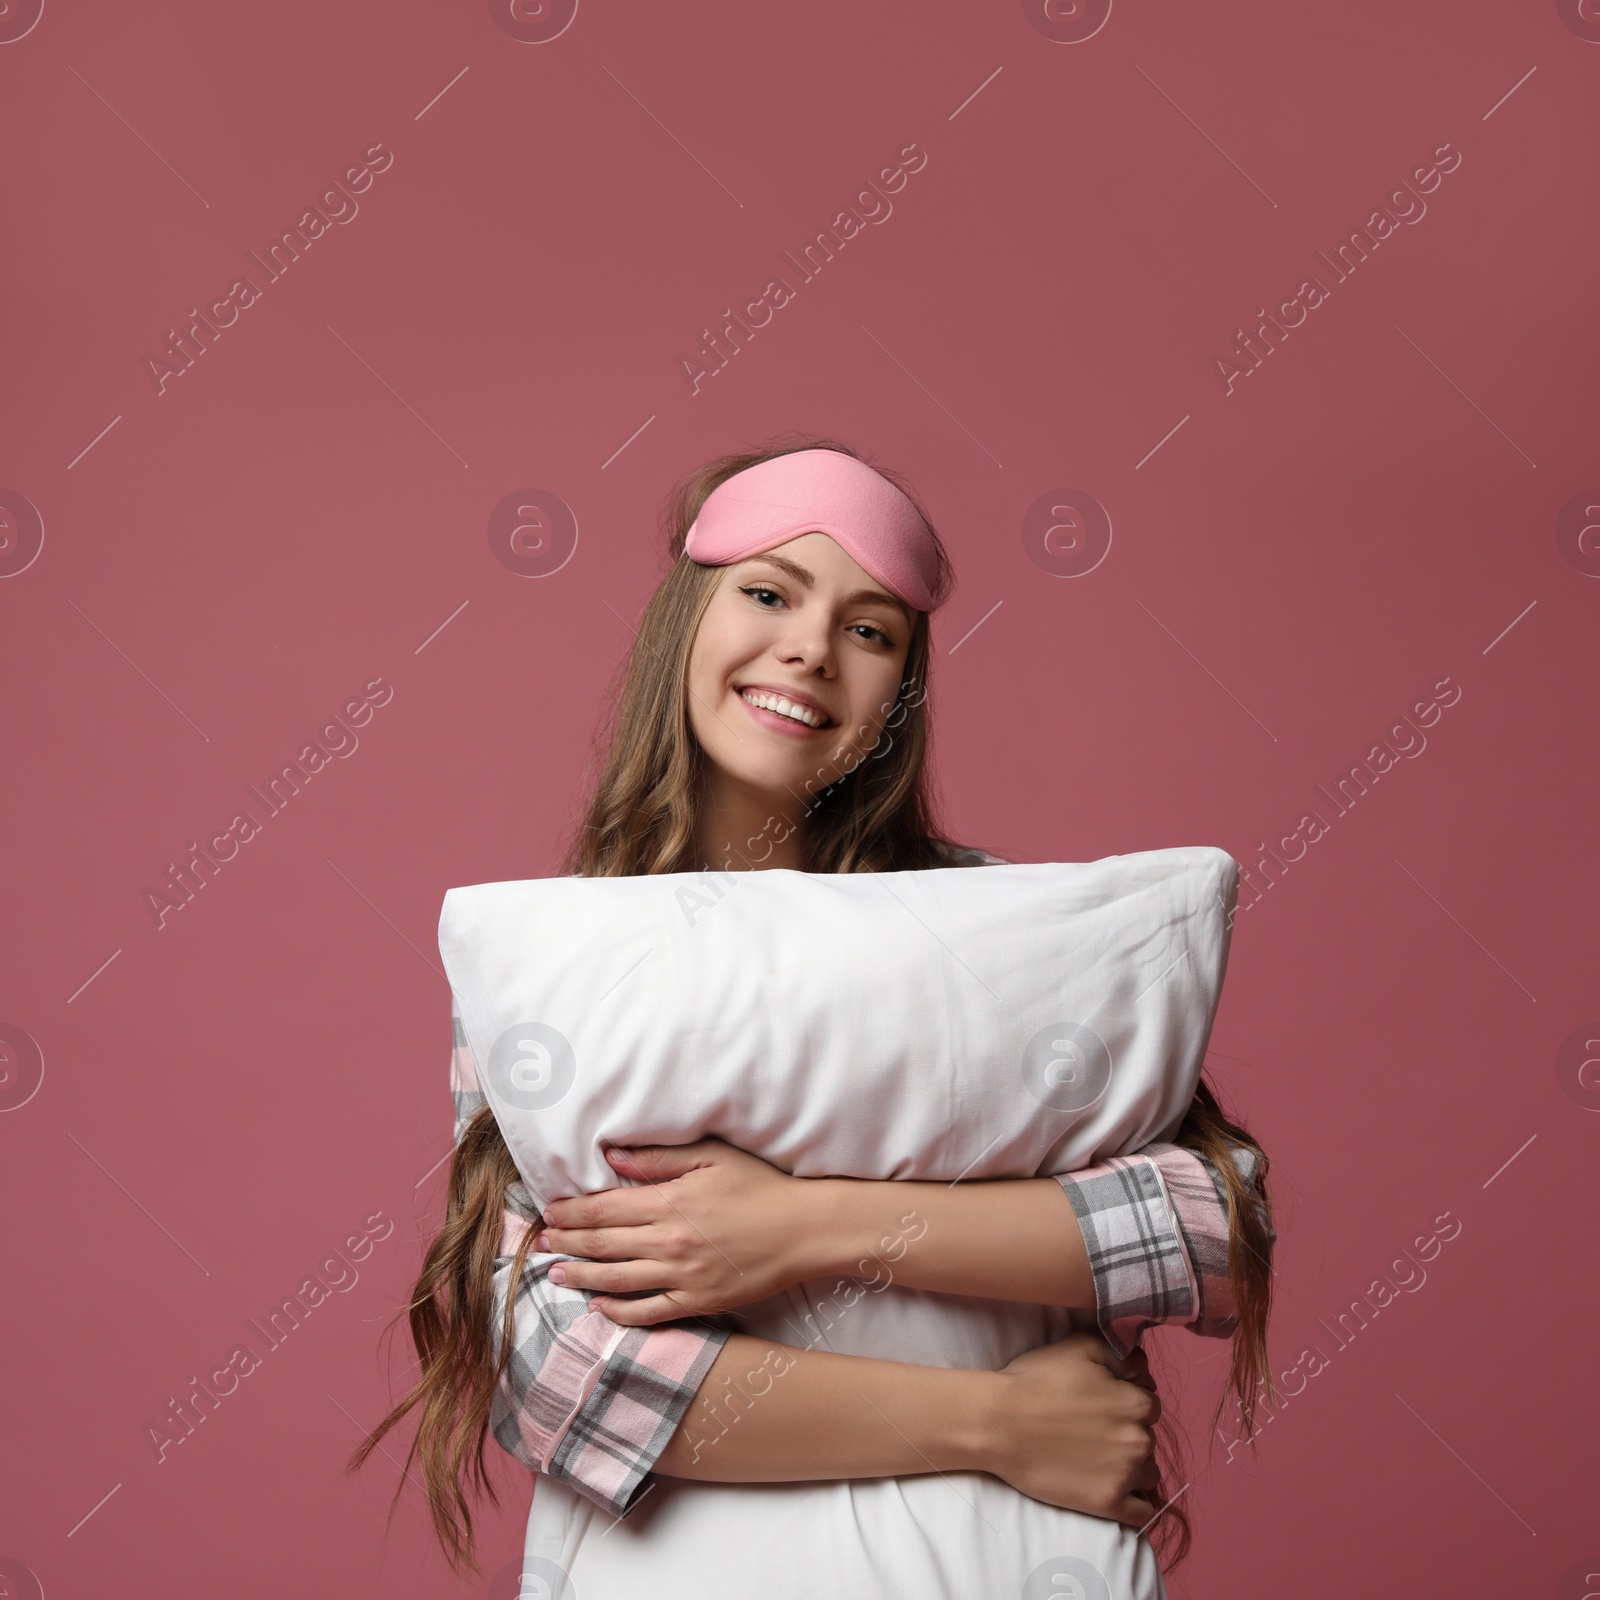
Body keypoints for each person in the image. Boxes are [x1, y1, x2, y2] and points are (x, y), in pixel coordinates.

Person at [353, 438, 1275, 1597]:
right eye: (768, 592)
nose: (809, 647)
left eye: (870, 628)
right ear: (685, 619)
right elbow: (563, 1373)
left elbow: (1215, 1230)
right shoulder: (561, 962)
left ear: (900, 689)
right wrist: (992, 1420)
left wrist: (801, 1225)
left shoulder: (995, 933)